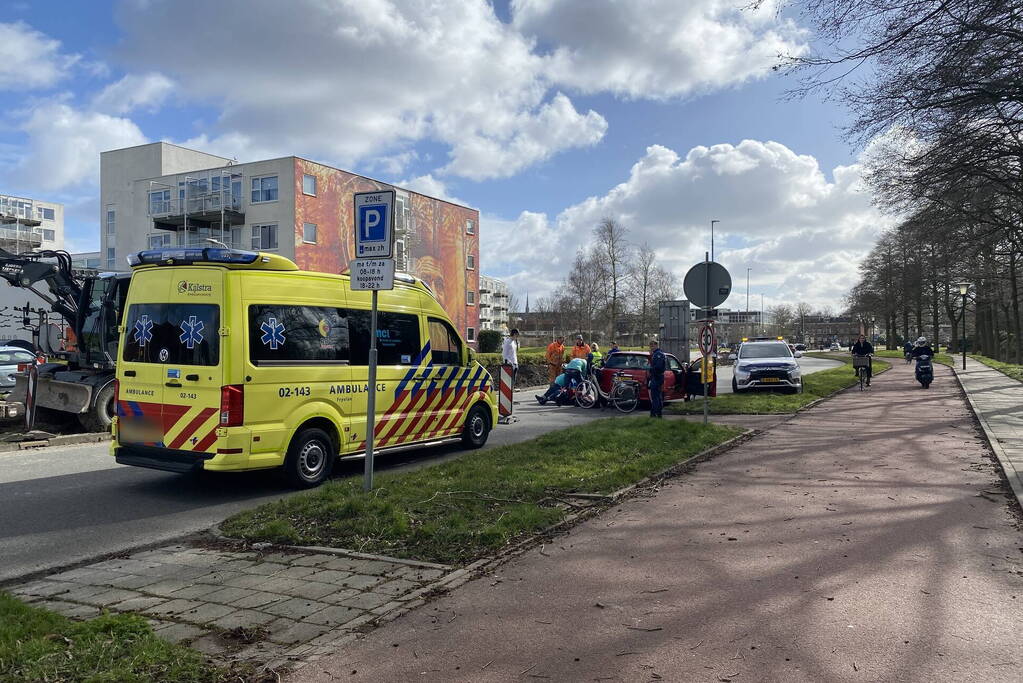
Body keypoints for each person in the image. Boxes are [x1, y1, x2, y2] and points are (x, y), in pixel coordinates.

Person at [648, 339, 666, 418]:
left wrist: (650, 369)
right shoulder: (655, 354)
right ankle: (658, 414)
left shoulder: (658, 354)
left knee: (655, 397)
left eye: (652, 346)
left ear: (656, 345)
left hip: (657, 376)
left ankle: (654, 414)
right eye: (650, 346)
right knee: (657, 396)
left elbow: (658, 367)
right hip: (656, 376)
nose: (651, 347)